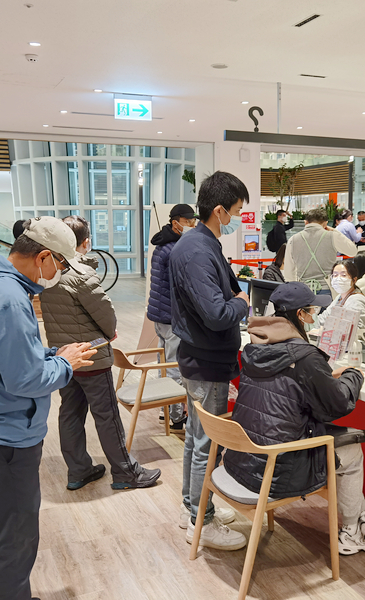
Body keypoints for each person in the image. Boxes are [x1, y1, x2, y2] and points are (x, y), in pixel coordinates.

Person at [0, 216, 97, 600]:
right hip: (1, 438)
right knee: (13, 546)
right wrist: (65, 365)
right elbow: (24, 380)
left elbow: (4, 359)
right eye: (61, 265)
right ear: (44, 257)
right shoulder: (9, 299)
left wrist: (52, 354)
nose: (60, 274)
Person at [223, 282, 365, 555]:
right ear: (300, 315)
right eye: (311, 310)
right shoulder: (304, 357)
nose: (315, 315)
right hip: (278, 470)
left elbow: (290, 386)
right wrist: (353, 375)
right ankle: (352, 532)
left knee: (333, 443)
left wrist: (322, 376)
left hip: (243, 460)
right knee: (352, 451)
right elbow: (337, 404)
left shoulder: (255, 346)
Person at [42, 215, 161, 490]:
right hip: (91, 356)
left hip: (64, 357)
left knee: (70, 413)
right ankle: (126, 473)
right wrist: (108, 335)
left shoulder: (49, 273)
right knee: (107, 416)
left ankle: (78, 471)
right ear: (84, 242)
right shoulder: (82, 274)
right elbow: (106, 315)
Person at [169, 171, 250, 551]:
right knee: (206, 445)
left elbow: (222, 291)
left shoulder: (201, 243)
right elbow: (218, 313)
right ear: (219, 210)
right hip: (205, 362)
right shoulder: (197, 250)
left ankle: (192, 507)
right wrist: (242, 303)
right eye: (236, 210)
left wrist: (235, 296)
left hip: (202, 358)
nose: (237, 218)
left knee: (195, 439)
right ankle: (201, 520)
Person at [148, 204, 197, 429]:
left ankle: (166, 410)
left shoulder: (163, 245)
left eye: (193, 221)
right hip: (171, 317)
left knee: (165, 365)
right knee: (174, 367)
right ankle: (176, 417)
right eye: (188, 221)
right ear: (176, 222)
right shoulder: (174, 249)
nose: (192, 225)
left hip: (160, 315)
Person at [282, 207, 358, 296]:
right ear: (325, 223)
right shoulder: (332, 236)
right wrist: (334, 230)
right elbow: (353, 251)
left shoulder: (293, 240)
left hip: (302, 290)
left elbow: (288, 272)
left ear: (305, 222)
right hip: (327, 289)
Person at [318, 259, 365, 343]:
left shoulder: (356, 300)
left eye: (343, 275)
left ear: (354, 280)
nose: (338, 279)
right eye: (335, 275)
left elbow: (357, 332)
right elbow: (324, 318)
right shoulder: (339, 297)